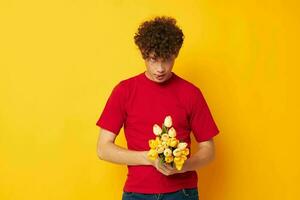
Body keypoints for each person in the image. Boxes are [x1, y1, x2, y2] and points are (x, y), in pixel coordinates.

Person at [96, 16, 220, 200]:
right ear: (144, 54)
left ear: (176, 54)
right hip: (137, 194)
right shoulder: (124, 91)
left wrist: (182, 165)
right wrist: (147, 158)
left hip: (182, 193)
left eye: (167, 59)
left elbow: (208, 150)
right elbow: (103, 149)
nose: (160, 68)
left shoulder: (191, 93)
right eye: (154, 59)